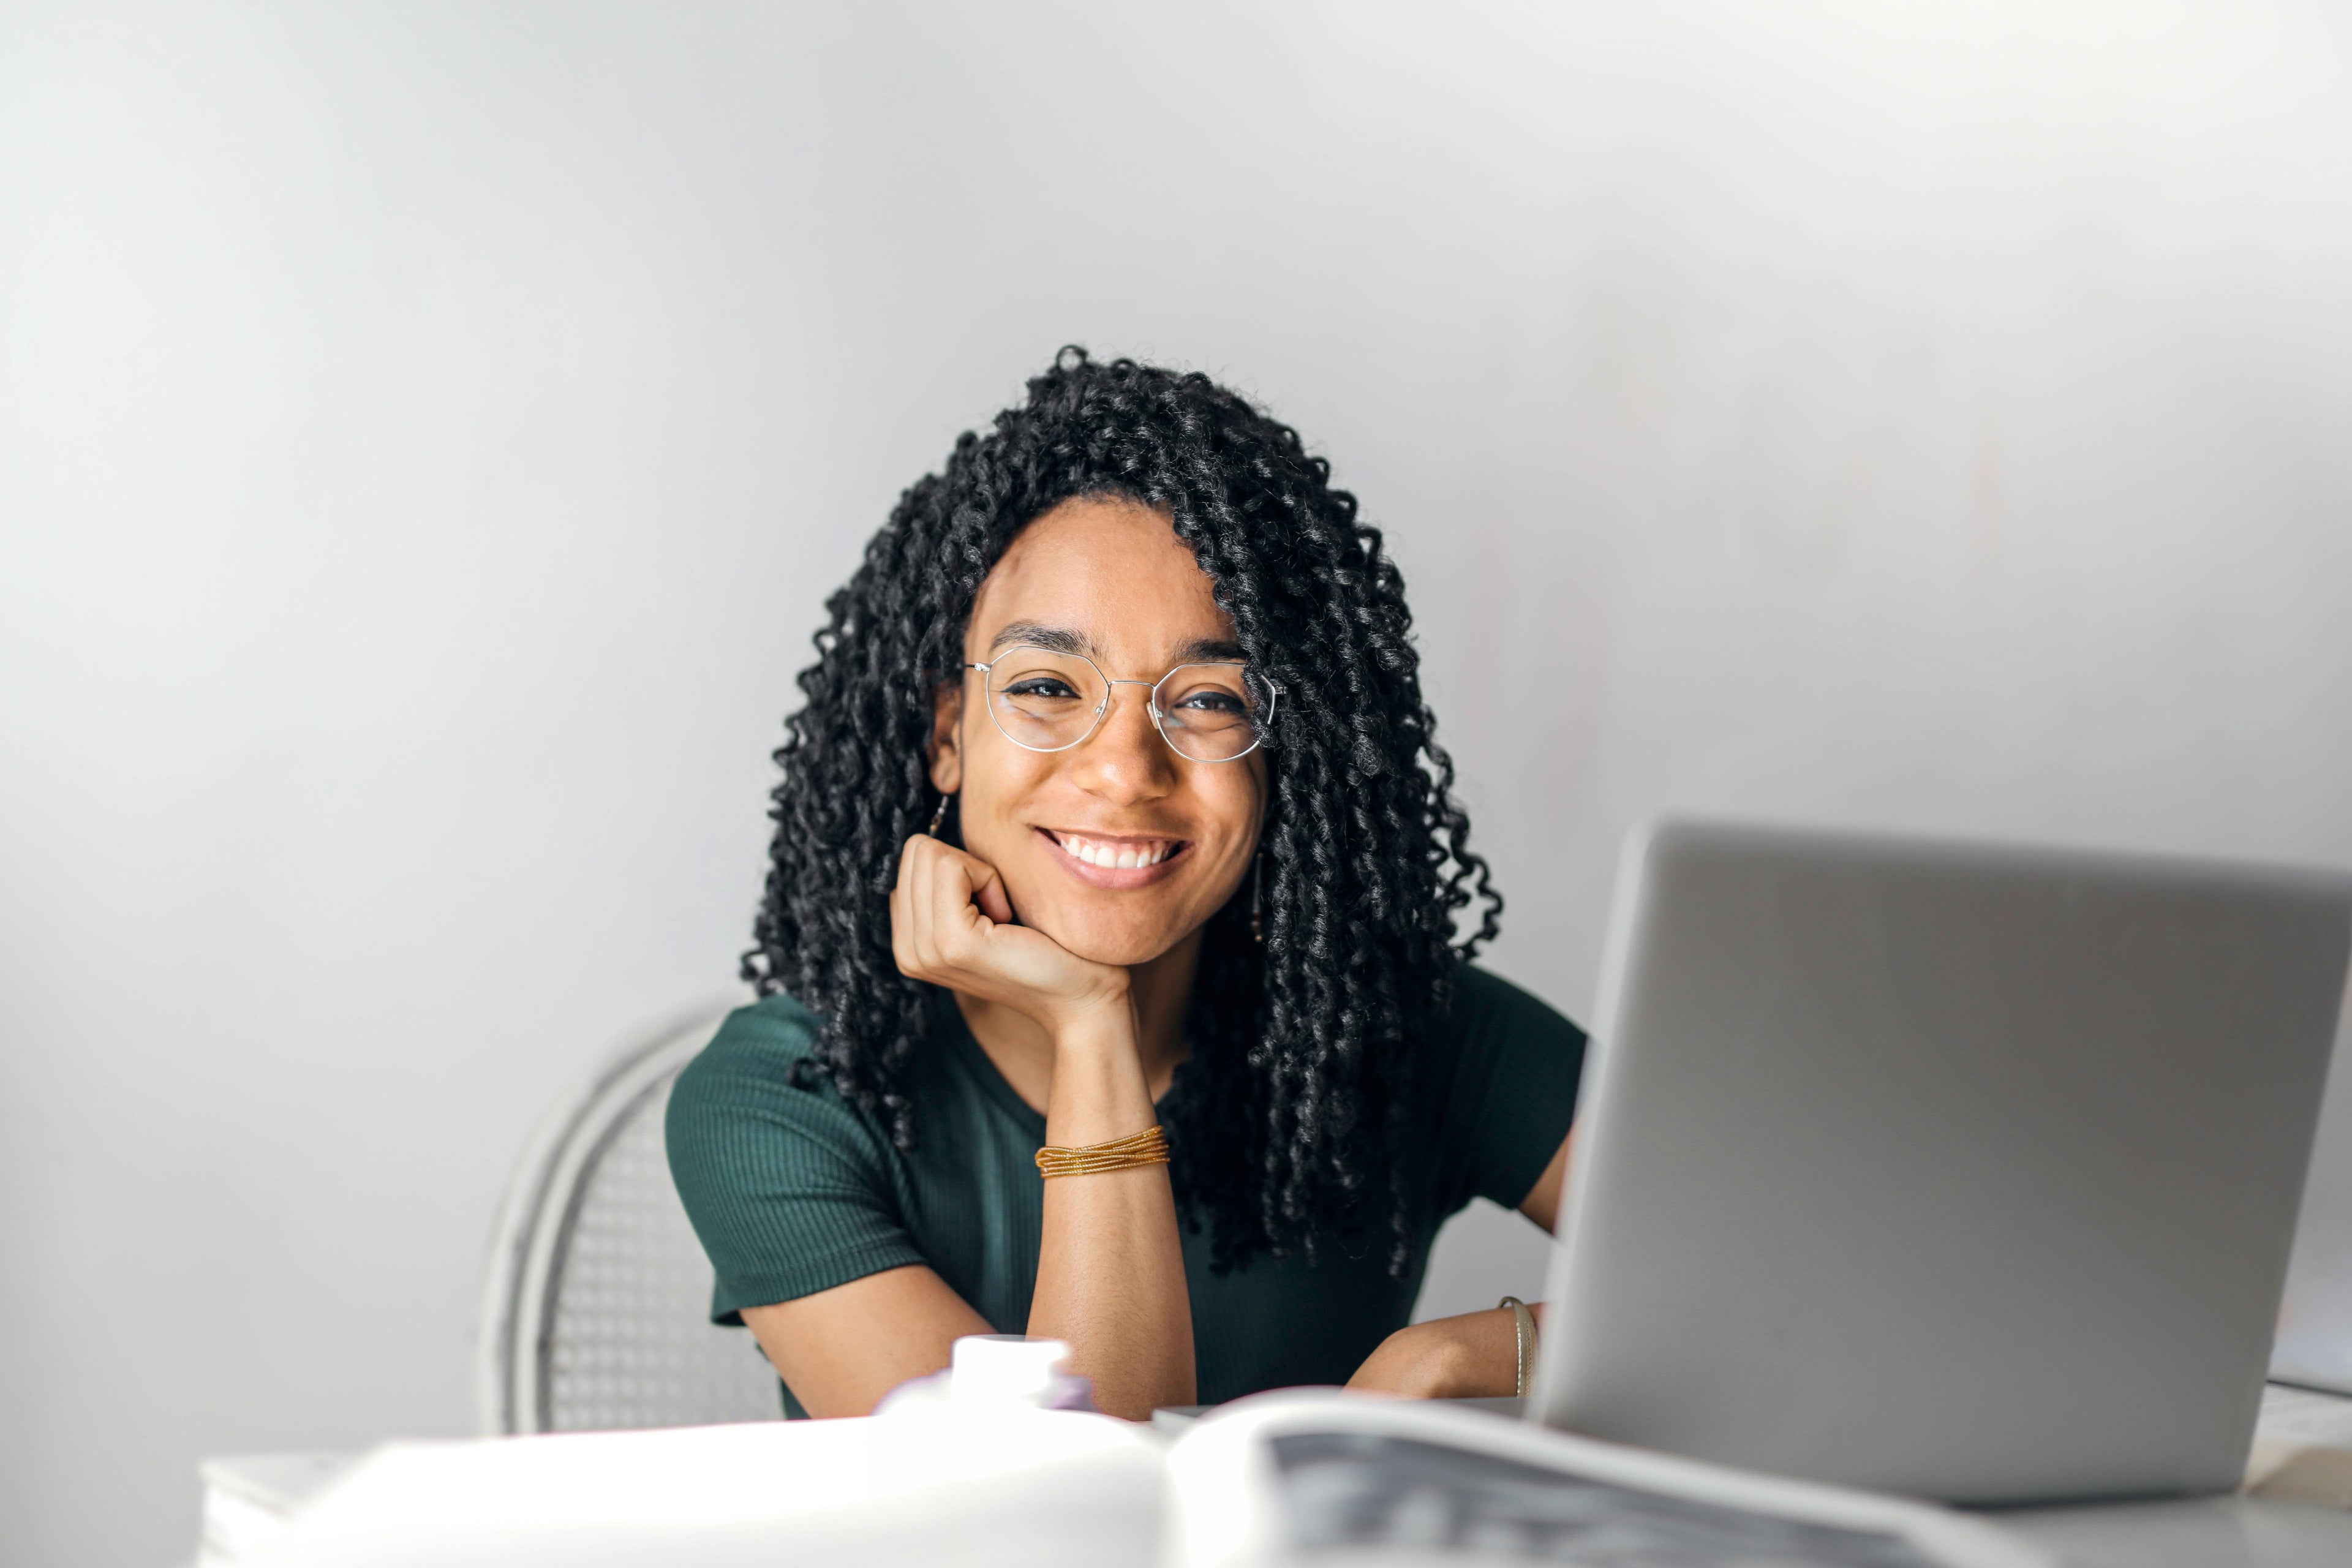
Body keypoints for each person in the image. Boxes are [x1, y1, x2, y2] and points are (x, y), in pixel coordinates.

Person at [668, 349, 1585, 1422]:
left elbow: (1804, 1281)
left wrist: (1471, 1355)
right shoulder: (786, 1098)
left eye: (1207, 701)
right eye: (1049, 686)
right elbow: (1061, 1524)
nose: (1123, 769)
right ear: (947, 735)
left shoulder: (1408, 1030)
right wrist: (1090, 1023)